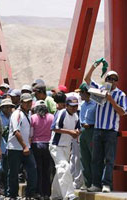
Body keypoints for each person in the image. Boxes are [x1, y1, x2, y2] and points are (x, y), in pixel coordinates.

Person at [84, 61, 127, 192]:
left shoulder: (121, 95)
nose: (111, 81)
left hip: (110, 131)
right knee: (96, 158)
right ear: (106, 79)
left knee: (109, 159)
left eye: (114, 79)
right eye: (109, 78)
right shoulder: (100, 90)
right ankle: (95, 184)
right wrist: (94, 66)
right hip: (98, 129)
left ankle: (106, 184)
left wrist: (111, 101)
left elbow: (122, 112)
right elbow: (86, 79)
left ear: (117, 81)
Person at [49, 96, 80, 200]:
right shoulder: (61, 113)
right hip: (56, 146)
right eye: (71, 106)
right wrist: (70, 132)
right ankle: (69, 195)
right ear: (66, 105)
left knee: (61, 171)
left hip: (67, 146)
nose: (74, 108)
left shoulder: (76, 116)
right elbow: (54, 128)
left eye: (75, 106)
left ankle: (55, 195)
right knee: (64, 167)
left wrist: (76, 133)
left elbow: (77, 129)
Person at [7, 93, 37, 199]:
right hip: (15, 148)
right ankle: (12, 194)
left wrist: (27, 145)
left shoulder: (28, 113)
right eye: (26, 102)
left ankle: (30, 194)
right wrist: (25, 146)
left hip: (26, 147)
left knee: (32, 169)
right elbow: (16, 131)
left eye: (30, 102)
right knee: (14, 173)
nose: (28, 104)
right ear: (21, 103)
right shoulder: (17, 114)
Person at [30, 100, 54, 199]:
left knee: (38, 170)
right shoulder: (52, 117)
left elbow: (31, 134)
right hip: (48, 145)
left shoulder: (33, 118)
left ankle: (39, 192)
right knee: (47, 170)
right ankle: (47, 193)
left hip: (36, 145)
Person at [76, 83, 96, 190]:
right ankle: (87, 183)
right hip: (83, 131)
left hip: (91, 131)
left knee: (93, 157)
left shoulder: (95, 105)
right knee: (84, 158)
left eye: (81, 93)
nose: (79, 95)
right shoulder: (82, 105)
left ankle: (95, 183)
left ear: (86, 93)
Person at [0, 98, 15, 197]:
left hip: (11, 147)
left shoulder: (14, 117)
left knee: (8, 170)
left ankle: (7, 190)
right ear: (1, 108)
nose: (8, 109)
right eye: (5, 107)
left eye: (9, 107)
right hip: (0, 145)